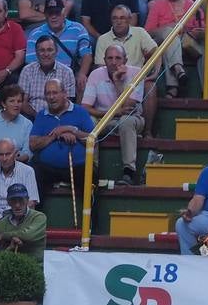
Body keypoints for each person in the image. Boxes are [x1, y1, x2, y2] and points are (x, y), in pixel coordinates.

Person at [80, 43, 146, 183]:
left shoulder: (136, 72)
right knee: (89, 122)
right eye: (110, 58)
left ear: (125, 60)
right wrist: (115, 113)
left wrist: (117, 82)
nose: (114, 62)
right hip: (105, 119)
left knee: (125, 122)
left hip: (132, 118)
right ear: (104, 61)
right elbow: (85, 107)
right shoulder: (96, 74)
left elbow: (128, 106)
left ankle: (129, 171)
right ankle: (92, 169)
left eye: (118, 58)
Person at [29, 78, 93, 199]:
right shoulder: (42, 115)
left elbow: (93, 140)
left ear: (65, 94)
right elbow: (33, 144)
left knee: (91, 178)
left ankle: (91, 218)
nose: (51, 97)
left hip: (77, 167)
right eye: (48, 93)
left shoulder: (80, 112)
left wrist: (71, 129)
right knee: (34, 172)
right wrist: (55, 135)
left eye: (55, 93)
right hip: (48, 168)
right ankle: (35, 216)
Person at [145, 0, 204, 98]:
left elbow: (203, 30)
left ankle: (172, 88)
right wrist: (170, 27)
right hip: (161, 38)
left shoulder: (192, 5)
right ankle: (178, 70)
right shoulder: (158, 4)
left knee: (172, 39)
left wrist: (191, 31)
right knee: (169, 34)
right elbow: (148, 32)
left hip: (186, 41)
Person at [24, 0, 92, 97]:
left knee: (83, 83)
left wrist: (82, 74)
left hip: (71, 75)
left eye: (57, 13)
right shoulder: (35, 33)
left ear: (64, 13)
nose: (54, 17)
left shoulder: (78, 29)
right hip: (44, 76)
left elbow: (87, 54)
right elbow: (30, 61)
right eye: (50, 13)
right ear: (45, 15)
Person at [0, 139, 39, 224]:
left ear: (15, 154)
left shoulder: (27, 171)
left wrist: (17, 217)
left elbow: (32, 201)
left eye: (8, 154)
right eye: (0, 154)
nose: (4, 158)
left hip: (20, 213)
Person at [19, 35, 78, 117]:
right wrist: (40, 119)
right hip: (32, 117)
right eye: (42, 50)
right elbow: (22, 102)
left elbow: (67, 103)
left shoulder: (67, 72)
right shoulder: (27, 71)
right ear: (36, 52)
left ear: (56, 51)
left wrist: (51, 120)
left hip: (60, 117)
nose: (46, 54)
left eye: (50, 50)